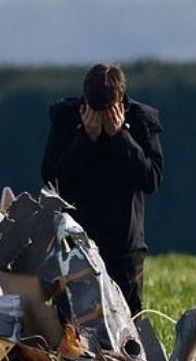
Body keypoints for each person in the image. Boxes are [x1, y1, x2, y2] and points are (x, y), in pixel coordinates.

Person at [41, 63, 164, 316]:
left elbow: (151, 179)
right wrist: (86, 138)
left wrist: (121, 137)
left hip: (124, 245)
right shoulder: (66, 118)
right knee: (71, 317)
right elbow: (53, 179)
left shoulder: (141, 121)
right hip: (77, 240)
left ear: (120, 103)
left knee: (127, 318)